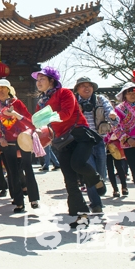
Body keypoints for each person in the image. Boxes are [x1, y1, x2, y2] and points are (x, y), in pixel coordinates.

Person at [33, 67, 106, 227]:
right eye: (37, 80)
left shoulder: (65, 93)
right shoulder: (40, 103)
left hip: (79, 135)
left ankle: (95, 178)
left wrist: (45, 117)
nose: (38, 83)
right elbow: (36, 123)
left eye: (42, 79)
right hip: (61, 141)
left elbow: (66, 113)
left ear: (52, 81)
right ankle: (81, 216)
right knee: (70, 181)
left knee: (78, 164)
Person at [0, 78, 40, 211]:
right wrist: (0, 139)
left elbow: (29, 120)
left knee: (28, 168)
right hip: (7, 142)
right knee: (13, 172)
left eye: (3, 88)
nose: (1, 91)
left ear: (9, 90)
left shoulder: (17, 103)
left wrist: (16, 115)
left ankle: (34, 198)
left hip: (23, 139)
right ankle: (19, 202)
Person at [73, 77, 118, 213]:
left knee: (101, 172)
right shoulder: (73, 102)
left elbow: (110, 110)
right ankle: (96, 203)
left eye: (89, 86)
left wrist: (112, 114)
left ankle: (99, 187)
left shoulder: (100, 99)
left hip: (99, 140)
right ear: (77, 89)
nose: (87, 88)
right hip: (82, 142)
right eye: (83, 86)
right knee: (90, 172)